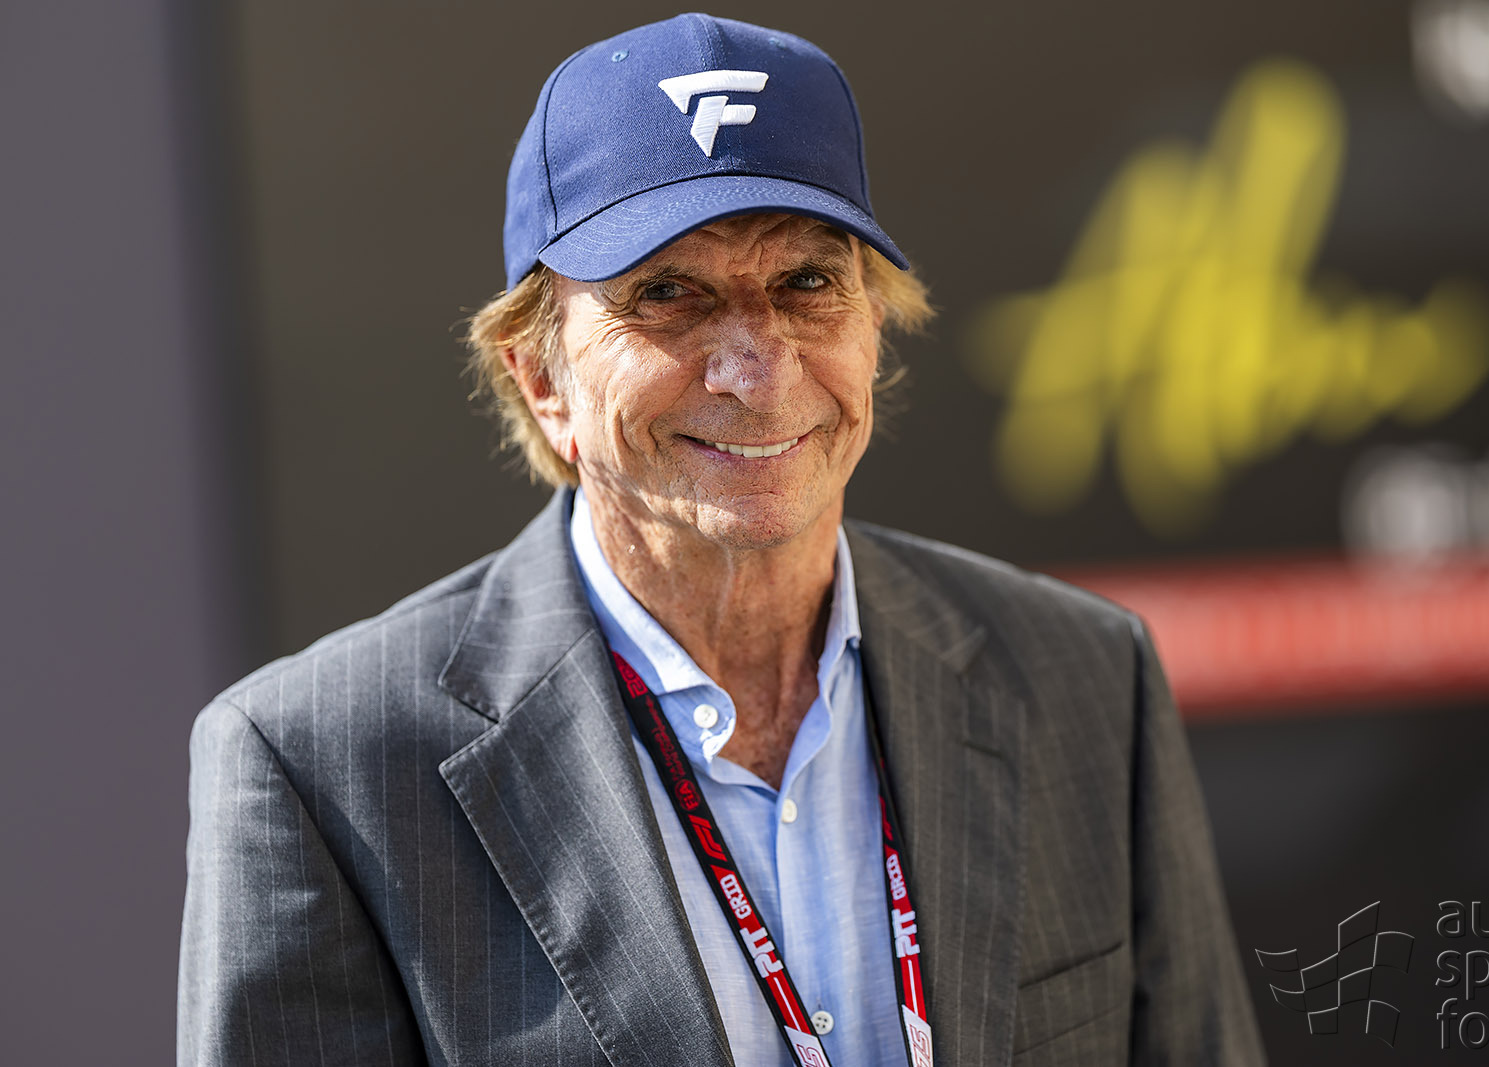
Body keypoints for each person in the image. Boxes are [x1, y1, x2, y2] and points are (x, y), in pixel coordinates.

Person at [178, 13, 1264, 1066]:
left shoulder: (1082, 674)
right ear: (542, 377)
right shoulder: (323, 768)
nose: (757, 368)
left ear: (874, 324)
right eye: (667, 295)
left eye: (807, 283)